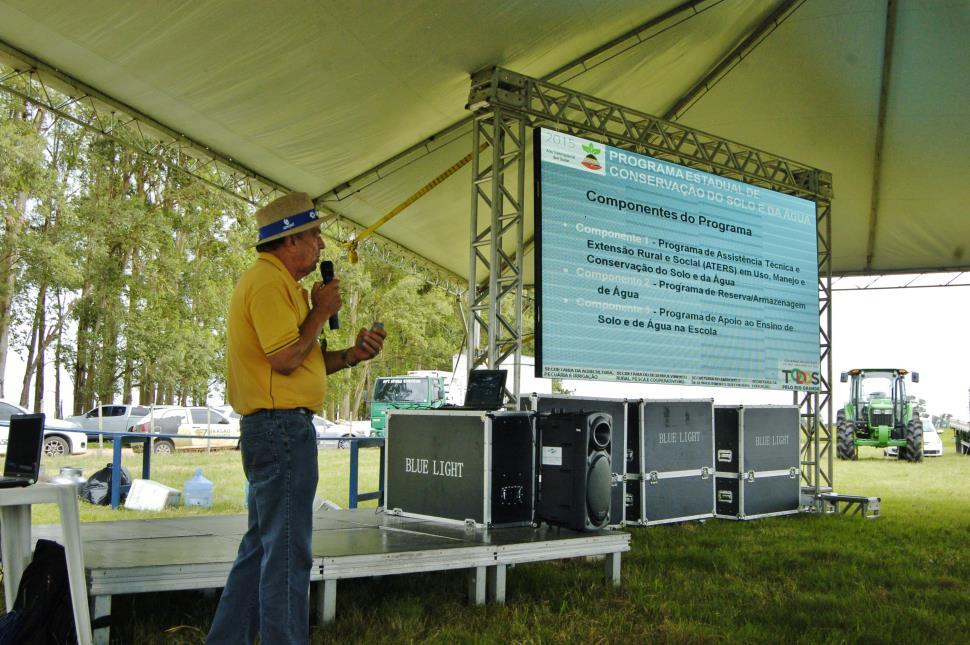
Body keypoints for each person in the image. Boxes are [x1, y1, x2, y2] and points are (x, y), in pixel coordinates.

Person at [207, 192, 386, 644]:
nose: (322, 245)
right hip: (280, 429)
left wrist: (349, 354)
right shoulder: (267, 285)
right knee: (287, 553)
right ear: (289, 242)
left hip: (276, 427)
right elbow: (286, 358)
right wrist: (321, 312)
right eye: (315, 236)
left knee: (262, 546)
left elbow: (302, 357)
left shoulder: (280, 285)